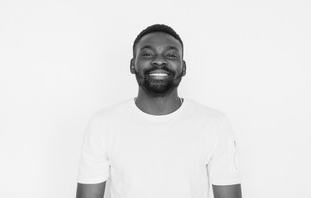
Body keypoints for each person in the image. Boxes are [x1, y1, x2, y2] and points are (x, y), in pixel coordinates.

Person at [76, 24, 242, 198]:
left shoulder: (214, 124)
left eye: (170, 55)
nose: (159, 61)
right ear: (133, 65)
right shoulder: (102, 124)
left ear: (183, 67)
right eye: (148, 54)